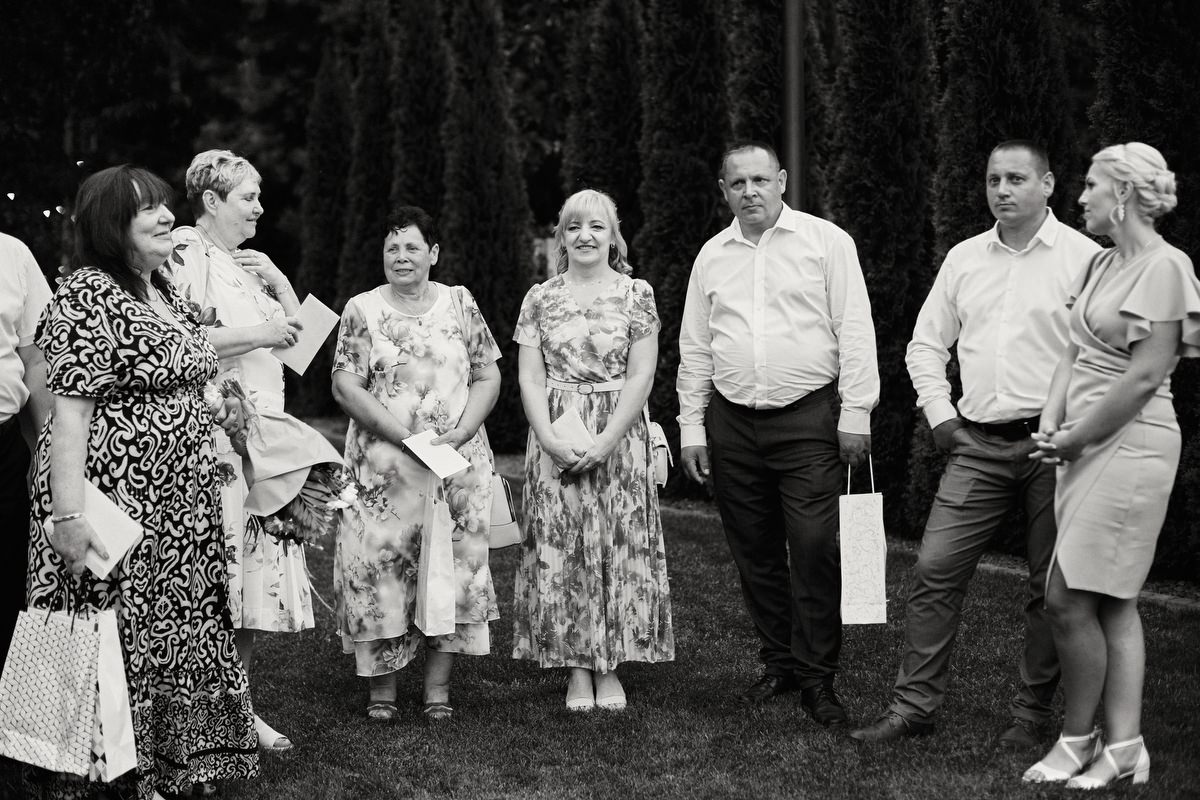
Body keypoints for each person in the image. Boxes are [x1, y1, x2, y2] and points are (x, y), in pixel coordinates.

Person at [850, 141, 1101, 746]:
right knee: (934, 569)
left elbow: (1104, 357)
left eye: (1016, 178)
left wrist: (1077, 430)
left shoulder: (1086, 259)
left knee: (1050, 587)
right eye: (993, 179)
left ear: (1048, 184)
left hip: (1054, 447)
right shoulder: (965, 258)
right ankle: (914, 708)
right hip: (977, 445)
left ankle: (1031, 715)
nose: (1002, 190)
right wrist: (941, 416)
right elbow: (925, 345)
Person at [26, 165, 257, 798]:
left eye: (163, 205)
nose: (166, 217)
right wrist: (67, 517)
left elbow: (183, 367)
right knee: (110, 629)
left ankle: (176, 762)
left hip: (180, 510)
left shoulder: (162, 288)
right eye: (147, 209)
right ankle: (105, 773)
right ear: (110, 225)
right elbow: (68, 415)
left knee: (176, 629)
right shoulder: (87, 295)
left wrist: (213, 404)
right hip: (112, 504)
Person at [677, 141, 878, 725]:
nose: (750, 192)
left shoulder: (827, 242)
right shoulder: (711, 256)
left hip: (809, 418)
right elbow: (696, 347)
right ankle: (781, 663)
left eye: (760, 180)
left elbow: (855, 329)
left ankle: (818, 678)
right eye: (738, 183)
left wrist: (856, 413)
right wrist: (692, 428)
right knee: (754, 552)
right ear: (724, 191)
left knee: (813, 546)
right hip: (732, 424)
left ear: (782, 180)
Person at [1022, 143, 1195, 789]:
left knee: (1066, 599)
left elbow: (1146, 375)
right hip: (1079, 441)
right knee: (1113, 601)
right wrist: (1052, 420)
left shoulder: (1167, 266)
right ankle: (1125, 748)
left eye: (1091, 185)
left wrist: (1076, 439)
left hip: (1132, 444)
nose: (1081, 196)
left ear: (1121, 193)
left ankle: (1077, 739)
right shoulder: (1099, 262)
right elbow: (1072, 352)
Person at [167, 149, 341, 753]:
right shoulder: (187, 251)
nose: (260, 207)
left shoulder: (247, 265)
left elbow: (302, 353)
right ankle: (203, 710)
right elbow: (177, 337)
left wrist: (282, 285)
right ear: (211, 201)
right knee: (217, 582)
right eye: (248, 197)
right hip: (219, 436)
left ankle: (236, 708)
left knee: (247, 586)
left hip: (265, 441)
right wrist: (261, 332)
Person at [331, 206, 501, 722]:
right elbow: (346, 385)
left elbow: (487, 375)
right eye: (392, 248)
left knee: (453, 569)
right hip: (384, 469)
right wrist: (405, 438)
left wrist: (464, 431)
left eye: (411, 247)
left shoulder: (460, 302)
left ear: (433, 253)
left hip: (455, 467)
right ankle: (382, 690)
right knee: (379, 570)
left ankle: (438, 690)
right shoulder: (361, 309)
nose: (401, 256)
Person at [511, 189, 675, 711]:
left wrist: (607, 441)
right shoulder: (539, 298)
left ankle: (610, 666)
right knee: (562, 549)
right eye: (574, 226)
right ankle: (577, 669)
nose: (585, 235)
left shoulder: (637, 294)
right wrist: (549, 438)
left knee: (615, 544)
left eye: (596, 226)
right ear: (561, 237)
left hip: (619, 436)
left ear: (613, 237)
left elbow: (642, 373)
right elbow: (530, 377)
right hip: (555, 434)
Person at [0, 232, 52, 673]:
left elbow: (35, 359)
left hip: (3, 448)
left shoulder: (12, 252)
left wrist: (46, 450)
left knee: (10, 581)